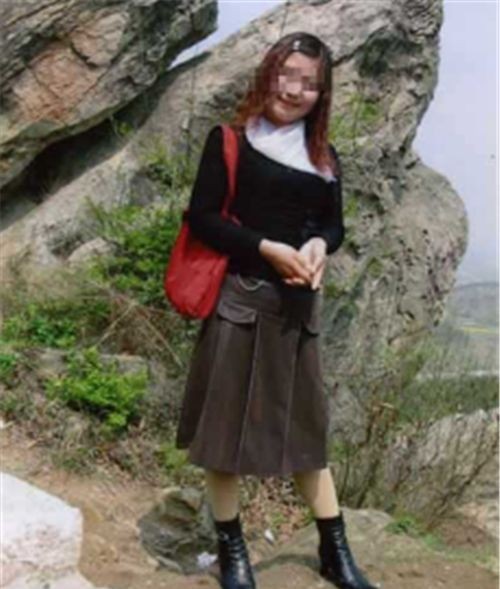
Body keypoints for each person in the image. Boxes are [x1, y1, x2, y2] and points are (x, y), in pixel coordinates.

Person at [175, 32, 378, 589]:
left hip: (296, 312)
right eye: (287, 74)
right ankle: (232, 552)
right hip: (239, 302)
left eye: (309, 83)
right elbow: (203, 218)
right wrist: (265, 248)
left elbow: (333, 226)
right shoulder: (231, 141)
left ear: (322, 93)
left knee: (306, 435)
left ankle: (335, 550)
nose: (294, 90)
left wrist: (317, 247)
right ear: (268, 73)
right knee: (224, 437)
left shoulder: (324, 158)